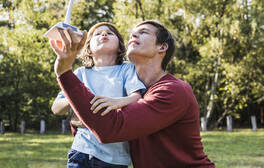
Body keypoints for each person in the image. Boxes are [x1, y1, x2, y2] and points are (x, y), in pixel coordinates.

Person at [50, 20, 215, 168]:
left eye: (143, 32)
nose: (134, 34)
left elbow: (111, 129)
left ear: (162, 47)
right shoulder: (131, 87)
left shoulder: (172, 91)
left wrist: (64, 71)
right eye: (132, 33)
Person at [51, 22, 146, 168]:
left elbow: (137, 97)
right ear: (88, 48)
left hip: (115, 156)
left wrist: (116, 102)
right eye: (97, 33)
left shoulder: (127, 69)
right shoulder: (80, 73)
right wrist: (76, 96)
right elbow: (56, 109)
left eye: (110, 33)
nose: (103, 34)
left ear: (120, 46)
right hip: (81, 150)